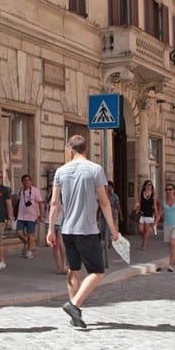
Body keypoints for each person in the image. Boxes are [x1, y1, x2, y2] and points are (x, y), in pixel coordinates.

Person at [47, 134, 120, 330]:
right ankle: (74, 305)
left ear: (70, 149)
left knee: (73, 270)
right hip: (87, 229)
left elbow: (54, 203)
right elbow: (104, 202)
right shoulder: (95, 170)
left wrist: (50, 229)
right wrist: (113, 228)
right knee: (97, 271)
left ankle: (75, 314)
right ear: (86, 149)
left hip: (67, 229)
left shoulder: (61, 172)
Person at [157, 182, 175, 271]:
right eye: (166, 189)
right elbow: (160, 213)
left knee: (173, 243)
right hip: (167, 225)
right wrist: (155, 223)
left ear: (174, 191)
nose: (168, 191)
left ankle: (171, 264)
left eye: (170, 189)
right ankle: (174, 261)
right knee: (170, 245)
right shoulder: (163, 202)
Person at [15, 174, 44, 259]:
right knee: (19, 233)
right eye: (24, 180)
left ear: (31, 181)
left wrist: (41, 214)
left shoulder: (35, 191)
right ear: (22, 182)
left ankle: (29, 251)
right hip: (21, 216)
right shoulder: (20, 191)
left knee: (30, 234)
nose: (26, 182)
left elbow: (40, 203)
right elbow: (17, 202)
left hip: (31, 216)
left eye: (28, 180)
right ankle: (27, 243)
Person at [131, 179, 159, 250]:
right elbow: (139, 203)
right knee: (140, 230)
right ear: (145, 185)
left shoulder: (153, 195)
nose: (149, 186)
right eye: (147, 184)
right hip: (142, 214)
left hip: (149, 214)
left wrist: (156, 215)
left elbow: (155, 205)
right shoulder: (142, 193)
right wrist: (136, 208)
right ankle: (145, 240)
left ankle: (144, 245)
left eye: (150, 185)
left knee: (146, 230)